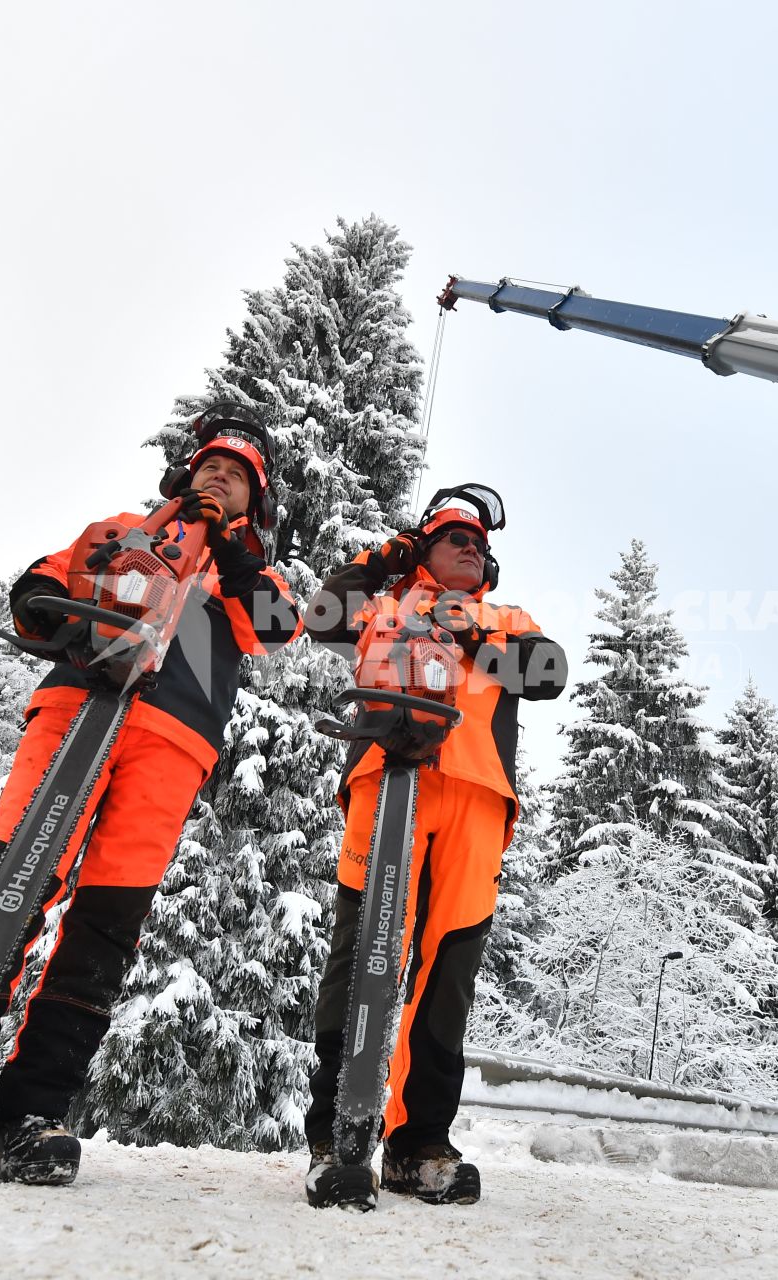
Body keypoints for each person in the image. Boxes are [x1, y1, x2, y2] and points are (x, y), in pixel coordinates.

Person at [0, 404, 300, 1186]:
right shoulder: (123, 531)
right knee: (5, 888)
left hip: (172, 741)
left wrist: (234, 550)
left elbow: (278, 628)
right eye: (212, 465)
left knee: (104, 925)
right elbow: (41, 585)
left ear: (258, 501)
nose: (221, 478)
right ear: (185, 473)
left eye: (240, 476)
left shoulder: (246, 576)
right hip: (78, 710)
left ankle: (29, 1117)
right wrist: (60, 619)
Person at [301, 486, 567, 1206]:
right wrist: (381, 560)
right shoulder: (385, 607)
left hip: (477, 797)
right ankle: (335, 1135)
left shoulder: (507, 619)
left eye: (478, 542)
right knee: (362, 953)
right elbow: (320, 615)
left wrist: (471, 632)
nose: (469, 546)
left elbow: (548, 673)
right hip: (387, 780)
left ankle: (419, 1145)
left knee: (446, 976)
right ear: (422, 548)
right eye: (453, 536)